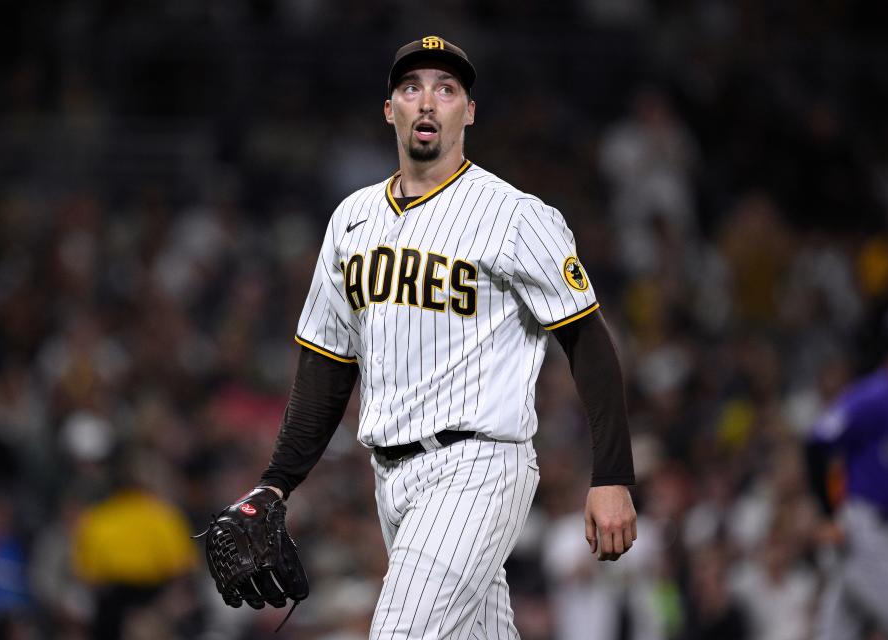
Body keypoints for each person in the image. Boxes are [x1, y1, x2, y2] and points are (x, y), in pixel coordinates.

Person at [217, 35, 637, 638]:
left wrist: (612, 475)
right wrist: (276, 483)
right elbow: (327, 368)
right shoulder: (352, 219)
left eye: (447, 89)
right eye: (412, 88)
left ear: (469, 110)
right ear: (390, 109)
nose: (428, 102)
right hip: (392, 481)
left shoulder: (515, 215)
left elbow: (588, 343)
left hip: (480, 467)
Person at [806, 342, 888, 640]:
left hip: (883, 536)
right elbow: (816, 444)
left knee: (836, 629)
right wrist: (828, 514)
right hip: (865, 528)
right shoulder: (874, 395)